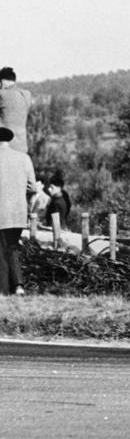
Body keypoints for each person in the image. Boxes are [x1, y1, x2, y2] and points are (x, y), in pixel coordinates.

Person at [0, 126, 37, 295]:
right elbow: (32, 187)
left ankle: (6, 289)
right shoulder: (23, 158)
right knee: (12, 246)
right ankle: (17, 286)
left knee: (1, 250)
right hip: (19, 212)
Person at [0, 67, 33, 153]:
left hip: (5, 148)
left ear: (2, 81)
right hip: (22, 148)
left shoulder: (2, 95)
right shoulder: (26, 94)